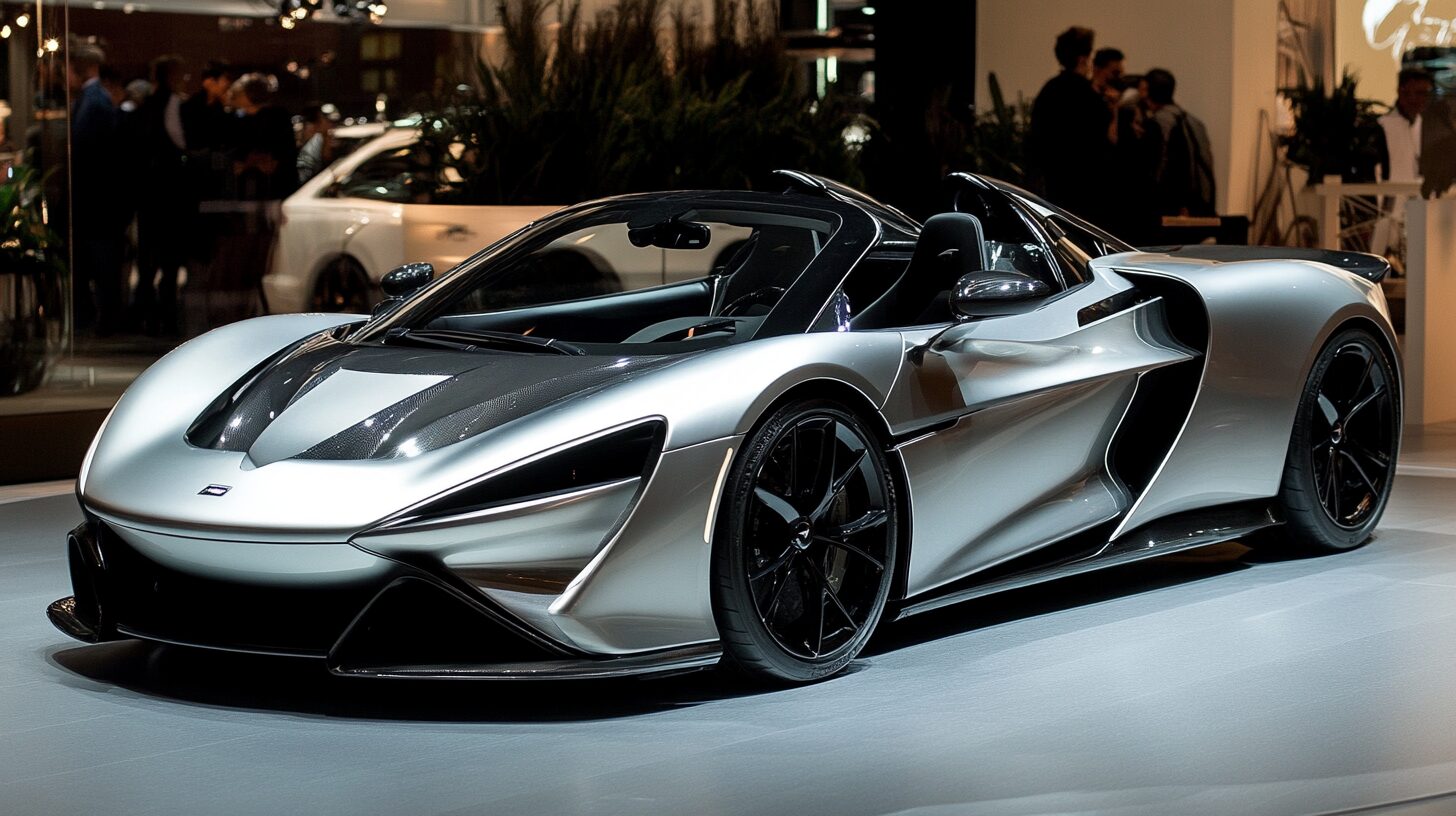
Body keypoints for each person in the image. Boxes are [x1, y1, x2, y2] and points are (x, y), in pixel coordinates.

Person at [1028, 26, 1115, 221]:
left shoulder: (1049, 90)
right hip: (1085, 187)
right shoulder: (1087, 95)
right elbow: (1104, 140)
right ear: (1083, 58)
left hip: (1054, 184)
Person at [133, 55, 193, 335]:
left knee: (147, 258)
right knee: (169, 258)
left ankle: (143, 312)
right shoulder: (172, 103)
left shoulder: (146, 104)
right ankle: (166, 316)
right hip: (168, 193)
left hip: (148, 192)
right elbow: (180, 140)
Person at [69, 43, 126, 334]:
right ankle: (104, 317)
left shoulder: (94, 100)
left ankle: (107, 319)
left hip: (96, 200)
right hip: (98, 200)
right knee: (102, 262)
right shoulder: (95, 99)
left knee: (103, 263)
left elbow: (93, 156)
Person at [1373, 67, 1435, 261]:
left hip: (1423, 203)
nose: (1418, 100)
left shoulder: (1426, 125)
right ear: (1401, 91)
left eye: (1424, 94)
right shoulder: (1383, 125)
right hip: (1391, 205)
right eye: (1415, 93)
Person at [1142, 68, 1216, 217]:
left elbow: (1163, 167)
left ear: (1148, 92)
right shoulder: (1195, 122)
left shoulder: (1159, 123)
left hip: (1174, 209)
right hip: (1203, 205)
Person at [295, 104, 335, 185]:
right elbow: (326, 158)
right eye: (324, 118)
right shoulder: (316, 139)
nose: (328, 122)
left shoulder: (312, 137)